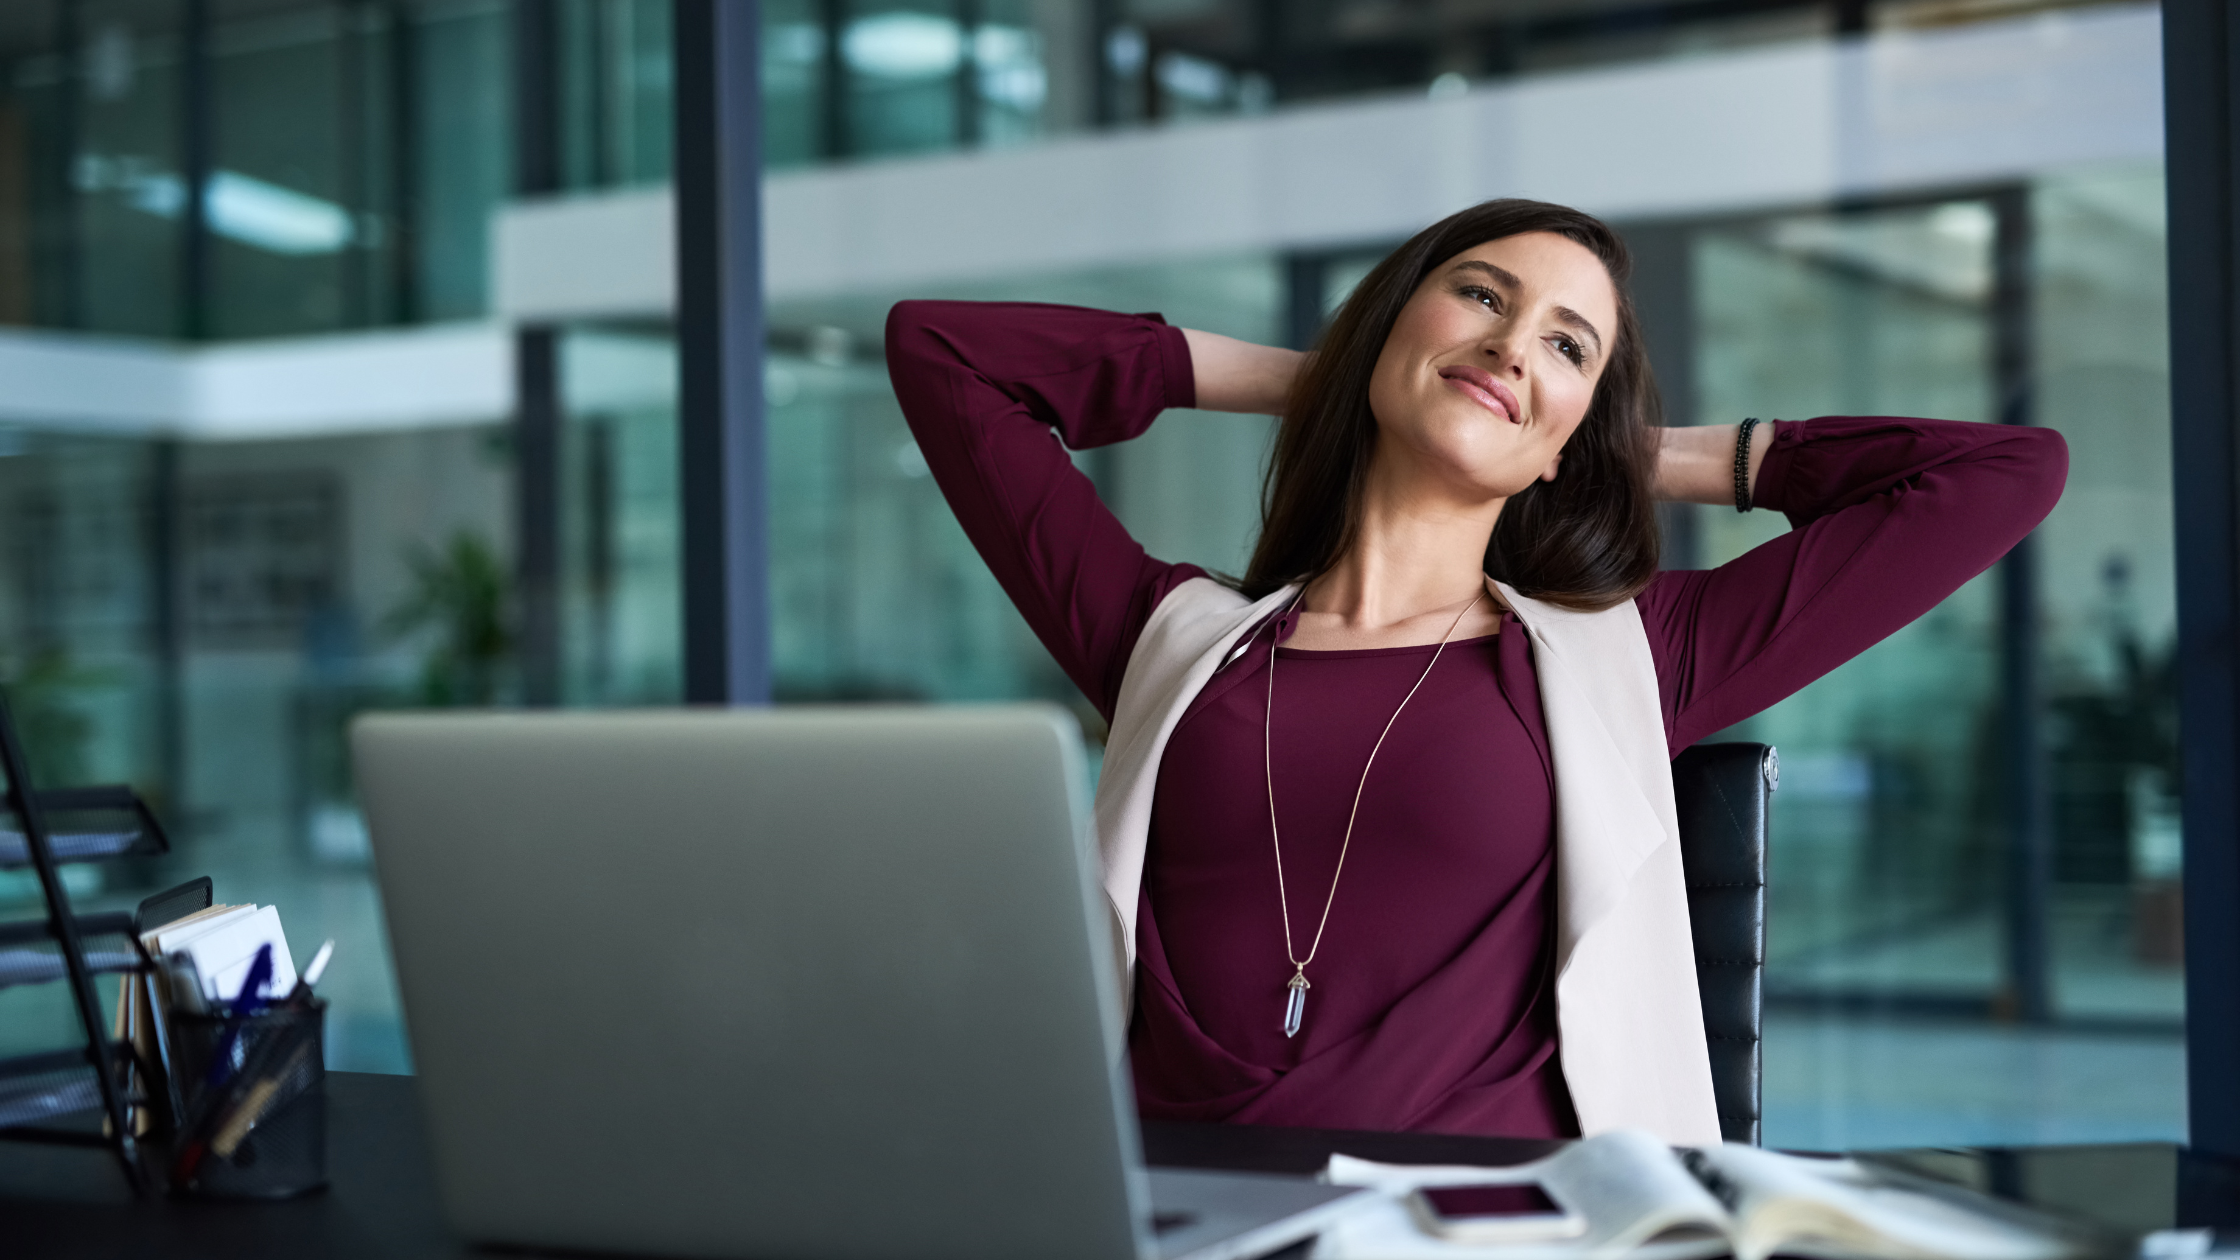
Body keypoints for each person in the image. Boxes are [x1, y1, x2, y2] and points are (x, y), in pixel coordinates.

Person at [884, 198, 2066, 1145]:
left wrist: (1613, 446)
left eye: (1566, 345)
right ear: (1392, 322)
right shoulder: (1168, 639)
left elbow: (2003, 473)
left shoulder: (1633, 656)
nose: (1511, 343)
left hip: (1492, 1228)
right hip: (1179, 1210)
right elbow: (941, 354)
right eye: (1479, 297)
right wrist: (1334, 374)